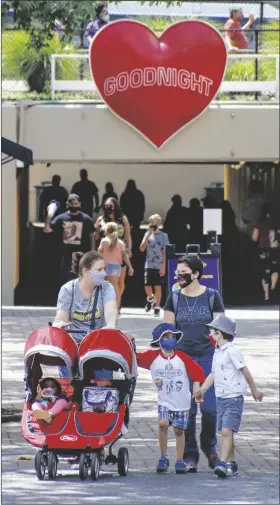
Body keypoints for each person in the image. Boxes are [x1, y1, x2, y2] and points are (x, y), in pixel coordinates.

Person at [163, 254, 225, 472]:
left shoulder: (212, 296)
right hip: (183, 359)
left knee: (209, 409)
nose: (179, 276)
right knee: (186, 411)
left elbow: (221, 329)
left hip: (208, 357)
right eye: (177, 272)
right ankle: (190, 455)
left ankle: (211, 449)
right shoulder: (174, 297)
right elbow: (167, 329)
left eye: (184, 273)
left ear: (196, 274)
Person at [195, 315, 263, 478]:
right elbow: (213, 374)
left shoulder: (232, 351)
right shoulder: (217, 353)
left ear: (220, 333)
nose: (210, 334)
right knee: (227, 433)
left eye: (213, 331)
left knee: (226, 431)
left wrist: (254, 390)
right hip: (221, 398)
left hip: (233, 397)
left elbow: (244, 370)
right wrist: (202, 390)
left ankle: (222, 463)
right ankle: (232, 464)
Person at [136, 323, 205, 474]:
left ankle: (179, 460)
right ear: (159, 340)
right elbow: (136, 358)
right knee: (163, 423)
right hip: (164, 399)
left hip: (181, 400)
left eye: (173, 337)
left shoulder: (182, 357)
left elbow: (197, 371)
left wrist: (196, 387)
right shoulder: (152, 357)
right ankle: (163, 456)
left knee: (179, 430)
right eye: (166, 337)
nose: (170, 339)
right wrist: (129, 344)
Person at [52, 250, 118, 345]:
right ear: (86, 271)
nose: (104, 273)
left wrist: (111, 325)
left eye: (104, 269)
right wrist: (59, 324)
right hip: (74, 343)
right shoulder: (68, 289)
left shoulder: (106, 287)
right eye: (99, 270)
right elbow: (61, 316)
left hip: (98, 342)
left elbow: (110, 309)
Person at [45, 194, 95, 284]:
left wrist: (92, 252)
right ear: (67, 204)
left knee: (81, 282)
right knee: (66, 282)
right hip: (65, 257)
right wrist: (49, 213)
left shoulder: (86, 219)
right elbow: (47, 229)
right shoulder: (60, 218)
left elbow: (92, 235)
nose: (74, 206)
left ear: (80, 204)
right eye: (71, 203)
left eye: (76, 203)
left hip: (81, 256)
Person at [95, 198, 132, 309]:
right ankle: (111, 304)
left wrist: (129, 249)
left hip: (120, 252)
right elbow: (95, 235)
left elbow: (127, 235)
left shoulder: (123, 219)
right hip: (106, 253)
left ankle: (117, 301)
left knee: (120, 282)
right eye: (106, 206)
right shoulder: (101, 219)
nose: (108, 208)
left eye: (110, 205)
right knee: (108, 281)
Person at [98, 221, 134, 308]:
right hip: (116, 267)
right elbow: (125, 256)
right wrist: (130, 267)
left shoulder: (104, 241)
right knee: (114, 286)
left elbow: (99, 252)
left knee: (107, 286)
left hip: (106, 266)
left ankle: (112, 306)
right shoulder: (120, 243)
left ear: (106, 231)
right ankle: (116, 305)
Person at [140, 214, 169, 317]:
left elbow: (165, 252)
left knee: (158, 286)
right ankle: (150, 299)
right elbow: (142, 248)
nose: (151, 224)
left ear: (158, 223)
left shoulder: (164, 236)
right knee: (147, 285)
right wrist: (148, 234)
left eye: (153, 222)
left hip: (159, 264)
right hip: (149, 263)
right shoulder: (147, 234)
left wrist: (164, 266)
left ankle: (157, 307)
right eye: (150, 222)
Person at [252, 203, 279, 301]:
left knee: (264, 272)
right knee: (275, 269)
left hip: (262, 251)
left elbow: (254, 238)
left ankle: (266, 295)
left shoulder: (259, 224)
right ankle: (273, 287)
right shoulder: (275, 223)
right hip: (274, 250)